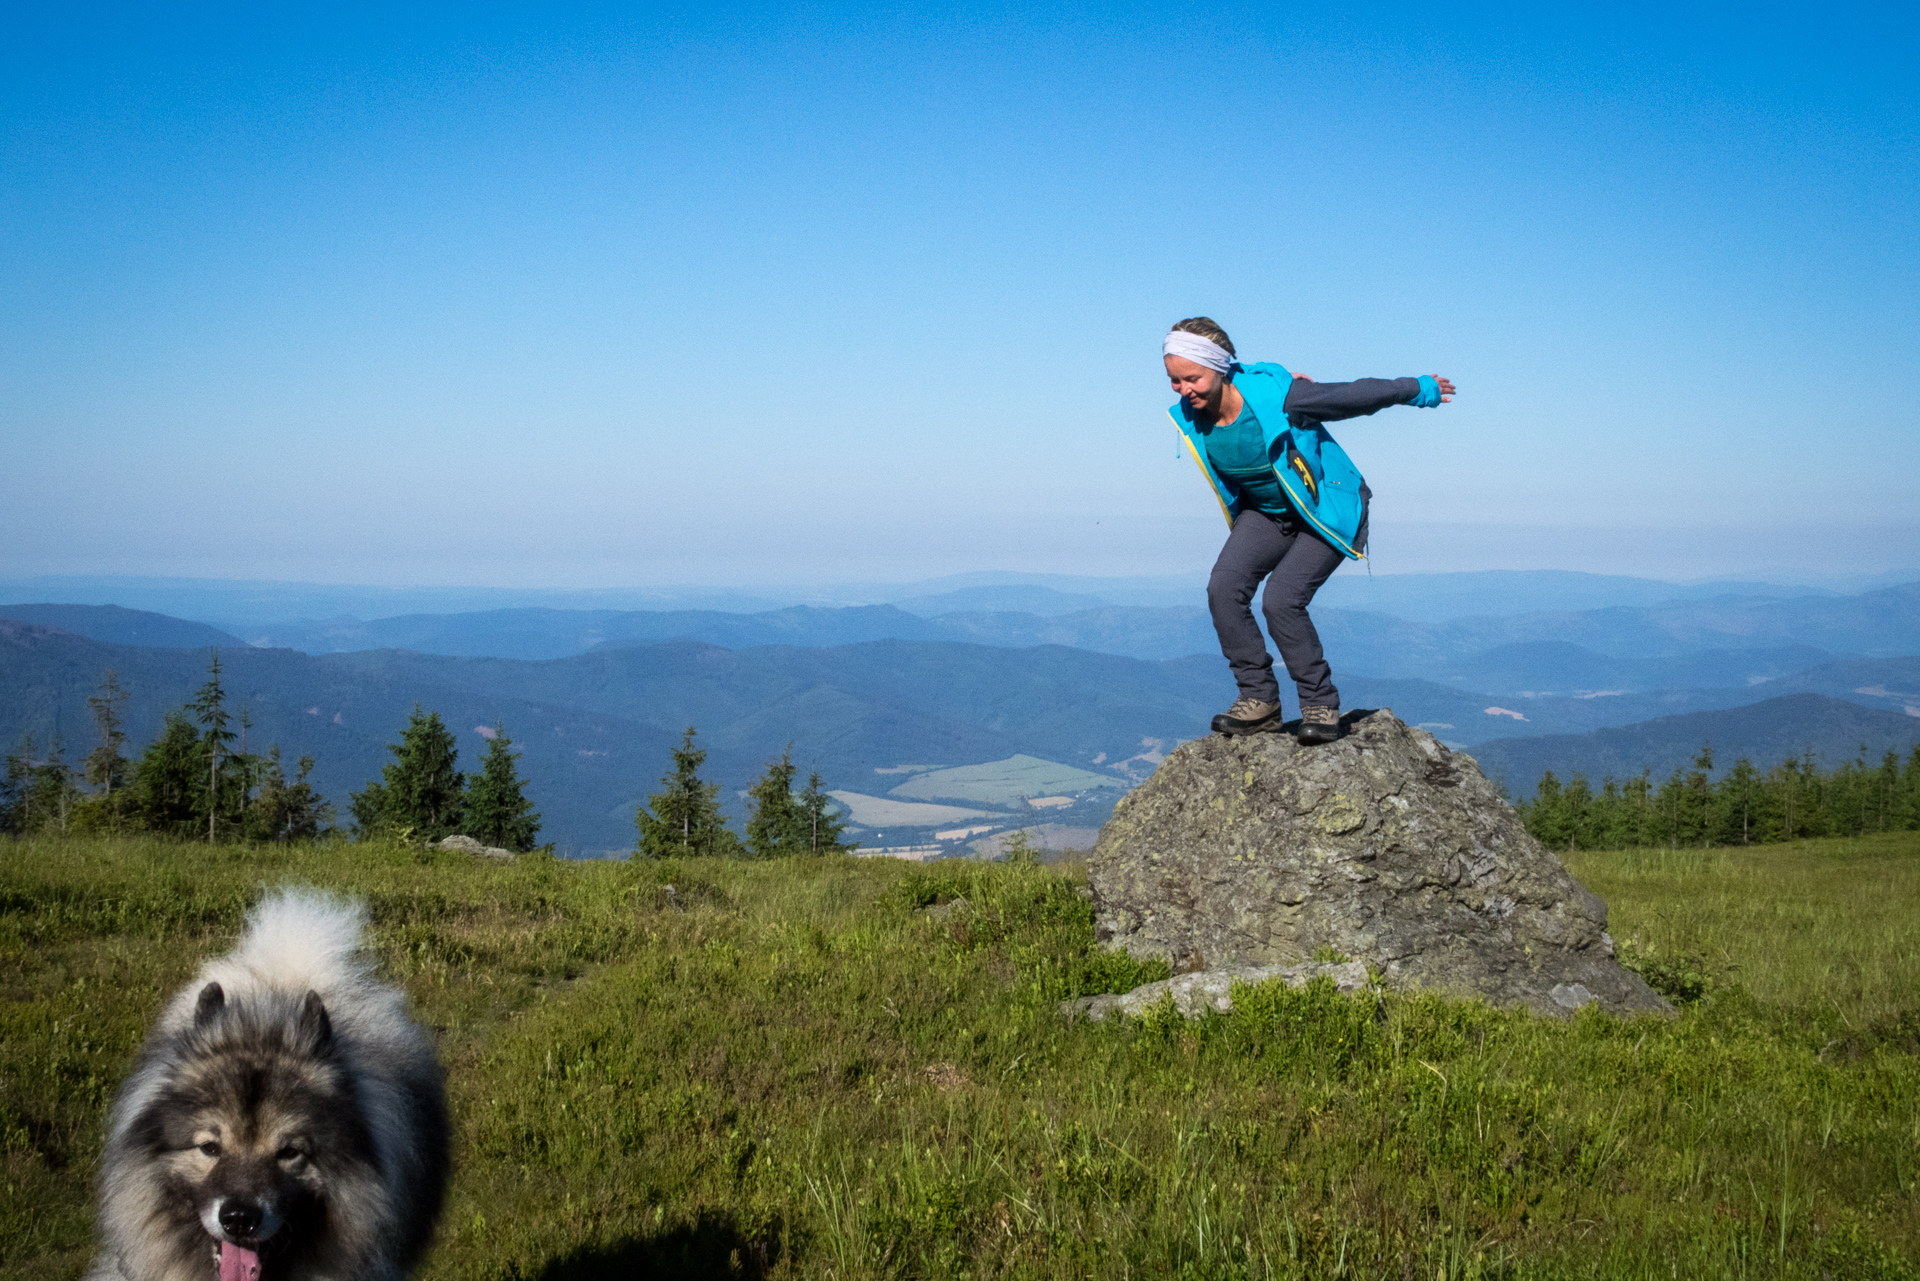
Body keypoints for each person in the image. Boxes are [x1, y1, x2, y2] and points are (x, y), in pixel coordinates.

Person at [1162, 317, 1454, 744]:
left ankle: (1320, 704)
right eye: (1175, 380)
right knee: (1223, 589)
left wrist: (1416, 388)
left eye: (1193, 378)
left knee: (1282, 600)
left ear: (1219, 370)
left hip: (1324, 508)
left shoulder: (1281, 398)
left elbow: (1352, 396)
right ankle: (1259, 700)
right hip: (1267, 512)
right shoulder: (1195, 414)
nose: (1184, 390)